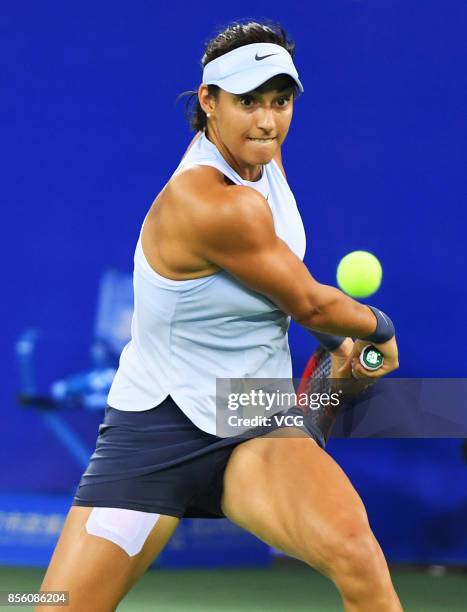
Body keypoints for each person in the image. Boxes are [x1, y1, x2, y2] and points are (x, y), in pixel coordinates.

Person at [37, 20, 402, 612]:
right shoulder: (206, 202)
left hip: (254, 413)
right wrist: (376, 329)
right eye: (248, 101)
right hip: (159, 429)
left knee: (358, 556)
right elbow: (308, 300)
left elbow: (285, 287)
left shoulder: (263, 155)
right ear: (208, 102)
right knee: (53, 603)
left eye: (280, 101)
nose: (266, 120)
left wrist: (335, 348)